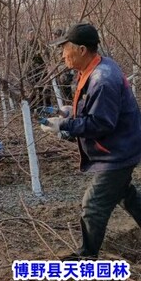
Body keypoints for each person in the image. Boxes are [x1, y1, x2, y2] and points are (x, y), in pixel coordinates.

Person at [41, 23, 141, 259]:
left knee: (93, 205)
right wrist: (71, 112)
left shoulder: (102, 79)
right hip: (123, 146)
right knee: (125, 195)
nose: (62, 54)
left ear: (82, 50)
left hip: (118, 153)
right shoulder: (97, 68)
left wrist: (64, 125)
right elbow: (96, 108)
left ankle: (86, 257)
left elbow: (101, 123)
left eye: (65, 48)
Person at [21, 28, 51, 108]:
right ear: (27, 36)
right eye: (29, 34)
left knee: (43, 89)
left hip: (41, 69)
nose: (31, 36)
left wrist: (37, 54)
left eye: (32, 34)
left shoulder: (40, 43)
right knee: (32, 89)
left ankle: (45, 106)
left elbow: (46, 54)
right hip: (31, 70)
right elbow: (22, 59)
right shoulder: (25, 44)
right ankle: (33, 107)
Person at [51, 28, 75, 103]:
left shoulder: (64, 47)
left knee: (67, 92)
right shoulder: (55, 47)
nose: (53, 38)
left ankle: (70, 104)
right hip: (59, 73)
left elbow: (68, 62)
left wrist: (61, 69)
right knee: (61, 93)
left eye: (55, 36)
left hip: (66, 73)